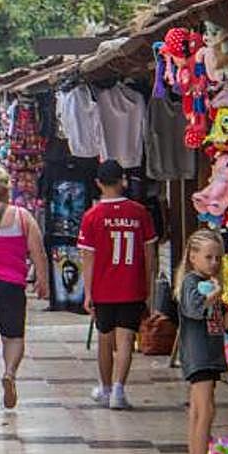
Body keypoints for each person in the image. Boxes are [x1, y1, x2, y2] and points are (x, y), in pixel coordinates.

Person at [78, 159, 157, 410]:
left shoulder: (92, 217)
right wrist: (148, 285)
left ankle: (105, 387)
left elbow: (87, 258)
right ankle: (119, 391)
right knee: (125, 341)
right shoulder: (139, 212)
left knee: (104, 339)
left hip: (103, 289)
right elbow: (150, 254)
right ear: (123, 181)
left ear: (98, 183)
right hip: (132, 287)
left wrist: (88, 292)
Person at [0, 164, 49, 411]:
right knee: (14, 336)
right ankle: (9, 372)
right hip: (13, 286)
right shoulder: (22, 217)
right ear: (7, 188)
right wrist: (42, 280)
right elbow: (38, 252)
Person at [175, 229, 228, 454]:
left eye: (218, 258)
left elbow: (221, 323)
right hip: (198, 355)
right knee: (204, 411)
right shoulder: (190, 282)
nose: (214, 263)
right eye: (208, 257)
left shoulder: (209, 284)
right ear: (193, 256)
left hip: (210, 352)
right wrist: (212, 295)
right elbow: (193, 310)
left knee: (201, 411)